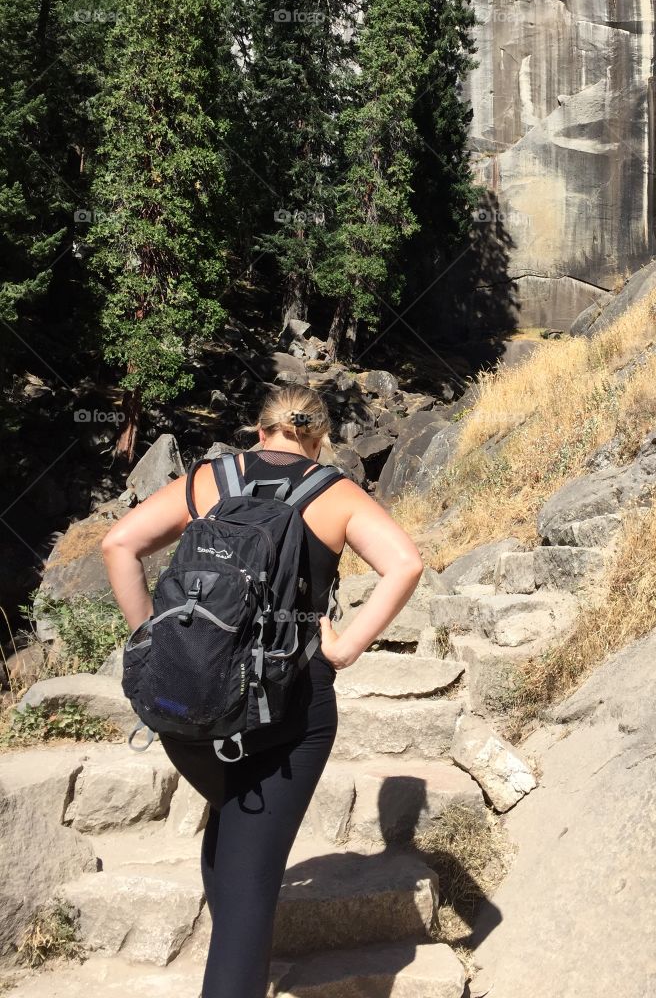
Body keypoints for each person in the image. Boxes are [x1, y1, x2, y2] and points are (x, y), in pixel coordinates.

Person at [101, 385, 424, 998]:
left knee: (231, 824)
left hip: (188, 700)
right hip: (288, 710)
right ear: (320, 438)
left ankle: (235, 957)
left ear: (258, 430)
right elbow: (405, 563)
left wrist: (155, 640)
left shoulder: (206, 481)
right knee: (251, 892)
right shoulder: (337, 493)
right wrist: (347, 646)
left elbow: (119, 544)